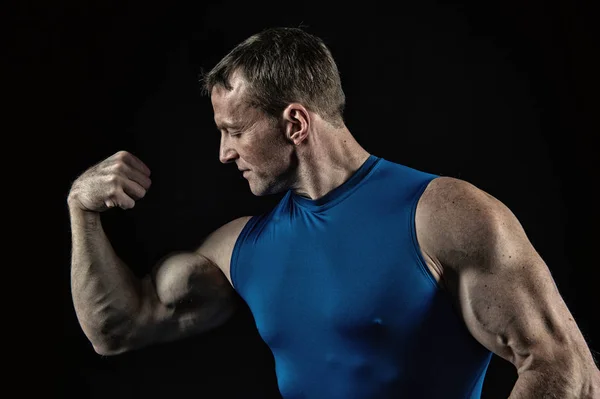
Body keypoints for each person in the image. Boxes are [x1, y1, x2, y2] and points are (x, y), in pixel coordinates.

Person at [67, 27, 599, 398]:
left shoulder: (443, 215)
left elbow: (565, 368)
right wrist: (81, 211)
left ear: (295, 123)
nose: (224, 153)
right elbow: (117, 328)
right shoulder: (241, 249)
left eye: (233, 131)